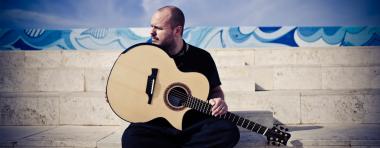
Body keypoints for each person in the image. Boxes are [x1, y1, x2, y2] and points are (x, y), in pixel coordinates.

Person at [121, 6, 240, 148]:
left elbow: (215, 90)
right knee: (132, 138)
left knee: (228, 130)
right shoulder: (144, 53)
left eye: (158, 28)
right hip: (156, 124)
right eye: (151, 26)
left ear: (177, 31)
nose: (151, 32)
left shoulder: (202, 58)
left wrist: (219, 100)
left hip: (193, 124)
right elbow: (123, 78)